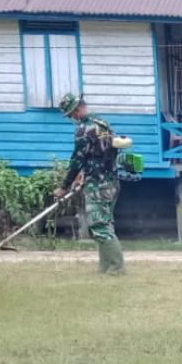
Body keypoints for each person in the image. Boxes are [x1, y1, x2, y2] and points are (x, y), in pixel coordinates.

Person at [55, 93, 129, 276]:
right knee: (105, 224)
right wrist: (82, 175)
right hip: (111, 182)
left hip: (97, 185)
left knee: (99, 226)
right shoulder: (102, 124)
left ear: (78, 108)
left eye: (71, 113)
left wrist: (64, 186)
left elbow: (77, 160)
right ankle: (105, 268)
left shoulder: (84, 130)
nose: (71, 118)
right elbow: (98, 155)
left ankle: (117, 268)